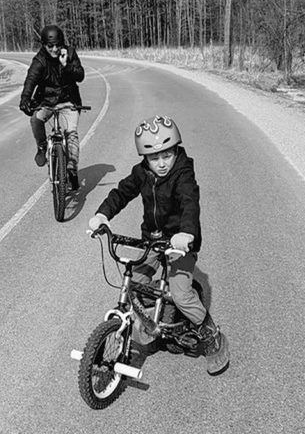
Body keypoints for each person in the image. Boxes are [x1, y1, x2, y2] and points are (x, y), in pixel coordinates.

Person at [87, 115, 229, 375]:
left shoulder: (183, 174)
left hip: (179, 244)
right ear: (145, 158)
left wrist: (186, 233)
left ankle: (213, 337)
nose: (162, 164)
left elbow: (190, 203)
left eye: (167, 155)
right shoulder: (141, 173)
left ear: (176, 150)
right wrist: (102, 214)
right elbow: (122, 192)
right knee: (133, 283)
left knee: (183, 296)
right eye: (155, 158)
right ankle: (144, 326)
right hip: (152, 240)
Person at [19, 25, 85, 191]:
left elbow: (80, 75)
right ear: (43, 45)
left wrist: (66, 66)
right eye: (50, 46)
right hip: (46, 101)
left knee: (71, 133)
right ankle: (42, 147)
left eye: (58, 45)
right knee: (35, 120)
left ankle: (71, 168)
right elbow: (31, 80)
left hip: (69, 100)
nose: (55, 49)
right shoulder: (39, 60)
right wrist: (25, 98)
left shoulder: (69, 53)